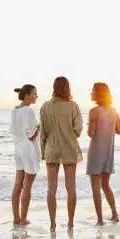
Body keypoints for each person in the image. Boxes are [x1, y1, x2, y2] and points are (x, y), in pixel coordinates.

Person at [39, 76, 83, 230]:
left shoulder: (45, 106)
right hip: (69, 148)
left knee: (51, 188)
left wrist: (43, 152)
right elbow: (78, 130)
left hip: (52, 149)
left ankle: (52, 224)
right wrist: (69, 132)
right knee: (71, 187)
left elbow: (42, 133)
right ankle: (70, 222)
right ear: (67, 88)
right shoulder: (73, 106)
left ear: (54, 87)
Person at [86, 82, 120, 226]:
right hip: (108, 152)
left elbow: (90, 133)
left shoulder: (94, 111)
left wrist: (94, 123)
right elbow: (119, 130)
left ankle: (100, 220)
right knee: (105, 185)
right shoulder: (114, 111)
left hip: (95, 152)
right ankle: (115, 215)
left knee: (96, 187)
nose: (91, 93)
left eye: (92, 91)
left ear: (98, 93)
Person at [9, 84, 40, 226]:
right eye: (34, 94)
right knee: (27, 185)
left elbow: (15, 131)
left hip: (18, 149)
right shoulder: (28, 111)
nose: (36, 96)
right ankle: (23, 219)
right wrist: (40, 127)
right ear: (27, 95)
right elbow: (31, 135)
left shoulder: (14, 111)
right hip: (28, 149)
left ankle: (16, 218)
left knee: (18, 184)